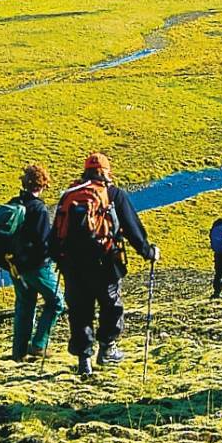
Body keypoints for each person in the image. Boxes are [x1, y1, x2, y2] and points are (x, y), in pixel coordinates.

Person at [53, 152, 159, 377]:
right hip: (105, 261)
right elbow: (132, 228)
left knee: (80, 310)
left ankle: (84, 360)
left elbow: (56, 232)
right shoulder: (113, 194)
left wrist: (58, 259)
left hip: (73, 265)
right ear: (106, 172)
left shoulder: (69, 195)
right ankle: (107, 348)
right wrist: (148, 251)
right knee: (111, 305)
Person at [9, 163, 66, 362]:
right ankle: (39, 344)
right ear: (42, 185)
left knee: (25, 305)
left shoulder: (15, 203)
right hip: (37, 267)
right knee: (57, 301)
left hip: (15, 266)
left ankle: (19, 352)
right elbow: (44, 241)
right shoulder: (39, 209)